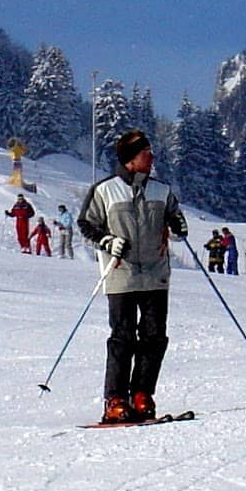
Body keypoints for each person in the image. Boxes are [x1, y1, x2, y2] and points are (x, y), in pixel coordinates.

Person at [77, 129, 187, 424]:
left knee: (154, 337)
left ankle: (142, 394)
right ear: (129, 160)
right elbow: (87, 224)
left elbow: (175, 220)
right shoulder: (105, 190)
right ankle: (115, 399)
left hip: (155, 274)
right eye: (145, 154)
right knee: (123, 337)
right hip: (121, 274)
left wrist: (177, 225)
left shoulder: (161, 190)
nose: (151, 158)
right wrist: (108, 242)